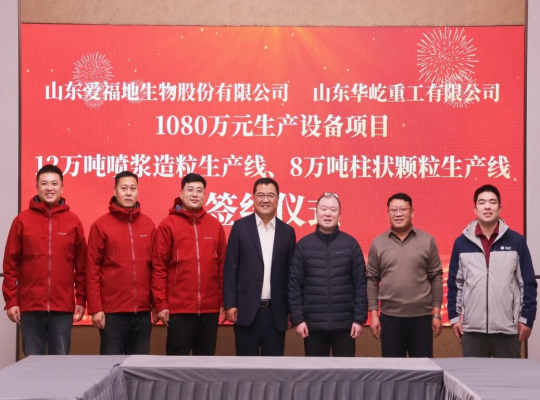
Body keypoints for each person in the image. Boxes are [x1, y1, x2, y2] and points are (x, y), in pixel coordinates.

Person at [2, 164, 86, 356]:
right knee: (32, 365)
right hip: (30, 307)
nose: (49, 188)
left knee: (60, 364)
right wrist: (12, 301)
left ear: (62, 188)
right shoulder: (22, 220)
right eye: (44, 183)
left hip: (62, 308)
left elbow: (82, 266)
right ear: (37, 187)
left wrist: (81, 298)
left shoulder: (73, 221)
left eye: (54, 184)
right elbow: (10, 265)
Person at [448, 184, 537, 358]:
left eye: (492, 202)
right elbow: (455, 284)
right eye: (482, 202)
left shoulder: (516, 241)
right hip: (472, 329)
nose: (487, 207)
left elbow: (527, 284)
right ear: (475, 209)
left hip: (507, 329)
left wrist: (527, 318)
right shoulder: (461, 243)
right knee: (473, 374)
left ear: (500, 208)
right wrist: (454, 317)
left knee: (508, 375)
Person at [152, 173, 227, 355]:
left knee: (205, 364)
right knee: (176, 365)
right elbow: (159, 268)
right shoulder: (168, 225)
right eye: (190, 190)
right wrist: (161, 304)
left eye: (199, 191)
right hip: (179, 310)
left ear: (205, 195)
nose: (195, 194)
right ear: (181, 193)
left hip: (209, 310)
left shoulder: (215, 226)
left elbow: (222, 268)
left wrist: (223, 301)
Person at [223, 177, 296, 356]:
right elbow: (230, 268)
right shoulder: (240, 227)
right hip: (245, 310)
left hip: (276, 312)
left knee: (273, 367)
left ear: (278, 199)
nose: (265, 200)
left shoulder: (287, 232)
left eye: (270, 195)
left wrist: (291, 310)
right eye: (261, 195)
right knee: (245, 367)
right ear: (253, 198)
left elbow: (291, 274)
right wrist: (230, 304)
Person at [289, 193, 367, 357]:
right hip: (313, 327)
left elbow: (360, 285)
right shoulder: (303, 245)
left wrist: (359, 319)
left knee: (345, 372)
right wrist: (298, 319)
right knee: (316, 372)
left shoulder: (351, 244)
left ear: (339, 214)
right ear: (316, 212)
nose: (328, 213)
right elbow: (294, 286)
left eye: (333, 209)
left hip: (345, 326)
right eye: (323, 209)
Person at [86, 171, 156, 355]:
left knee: (139, 366)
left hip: (142, 312)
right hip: (112, 313)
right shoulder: (101, 225)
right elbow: (92, 269)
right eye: (124, 188)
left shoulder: (148, 225)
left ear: (138, 191)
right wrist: (96, 308)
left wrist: (157, 305)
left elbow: (156, 269)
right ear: (115, 190)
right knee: (111, 365)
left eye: (133, 189)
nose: (128, 193)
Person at [367, 193, 443, 358]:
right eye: (394, 210)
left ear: (412, 212)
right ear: (388, 213)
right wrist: (373, 315)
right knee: (393, 369)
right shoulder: (378, 243)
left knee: (423, 369)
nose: (398, 214)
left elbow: (436, 278)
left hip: (422, 318)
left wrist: (437, 314)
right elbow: (372, 280)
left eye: (403, 209)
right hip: (389, 318)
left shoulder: (427, 240)